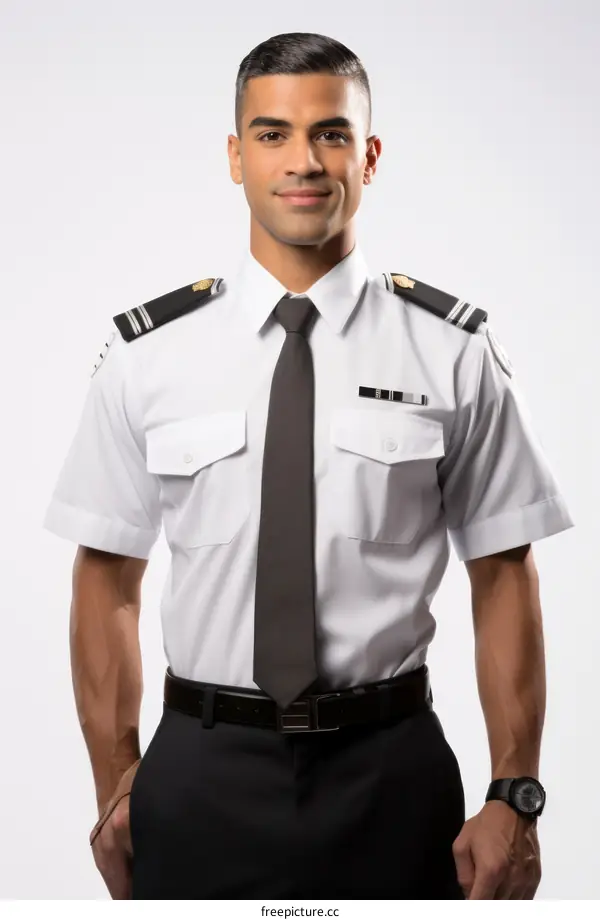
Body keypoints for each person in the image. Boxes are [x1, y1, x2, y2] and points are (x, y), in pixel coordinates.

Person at [43, 31, 573, 900]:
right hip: (201, 772)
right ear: (234, 156)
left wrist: (514, 792)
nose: (303, 161)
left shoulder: (451, 351)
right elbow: (106, 574)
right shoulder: (149, 355)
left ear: (368, 154)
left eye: (330, 133)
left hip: (391, 774)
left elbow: (505, 571)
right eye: (272, 134)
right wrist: (117, 780)